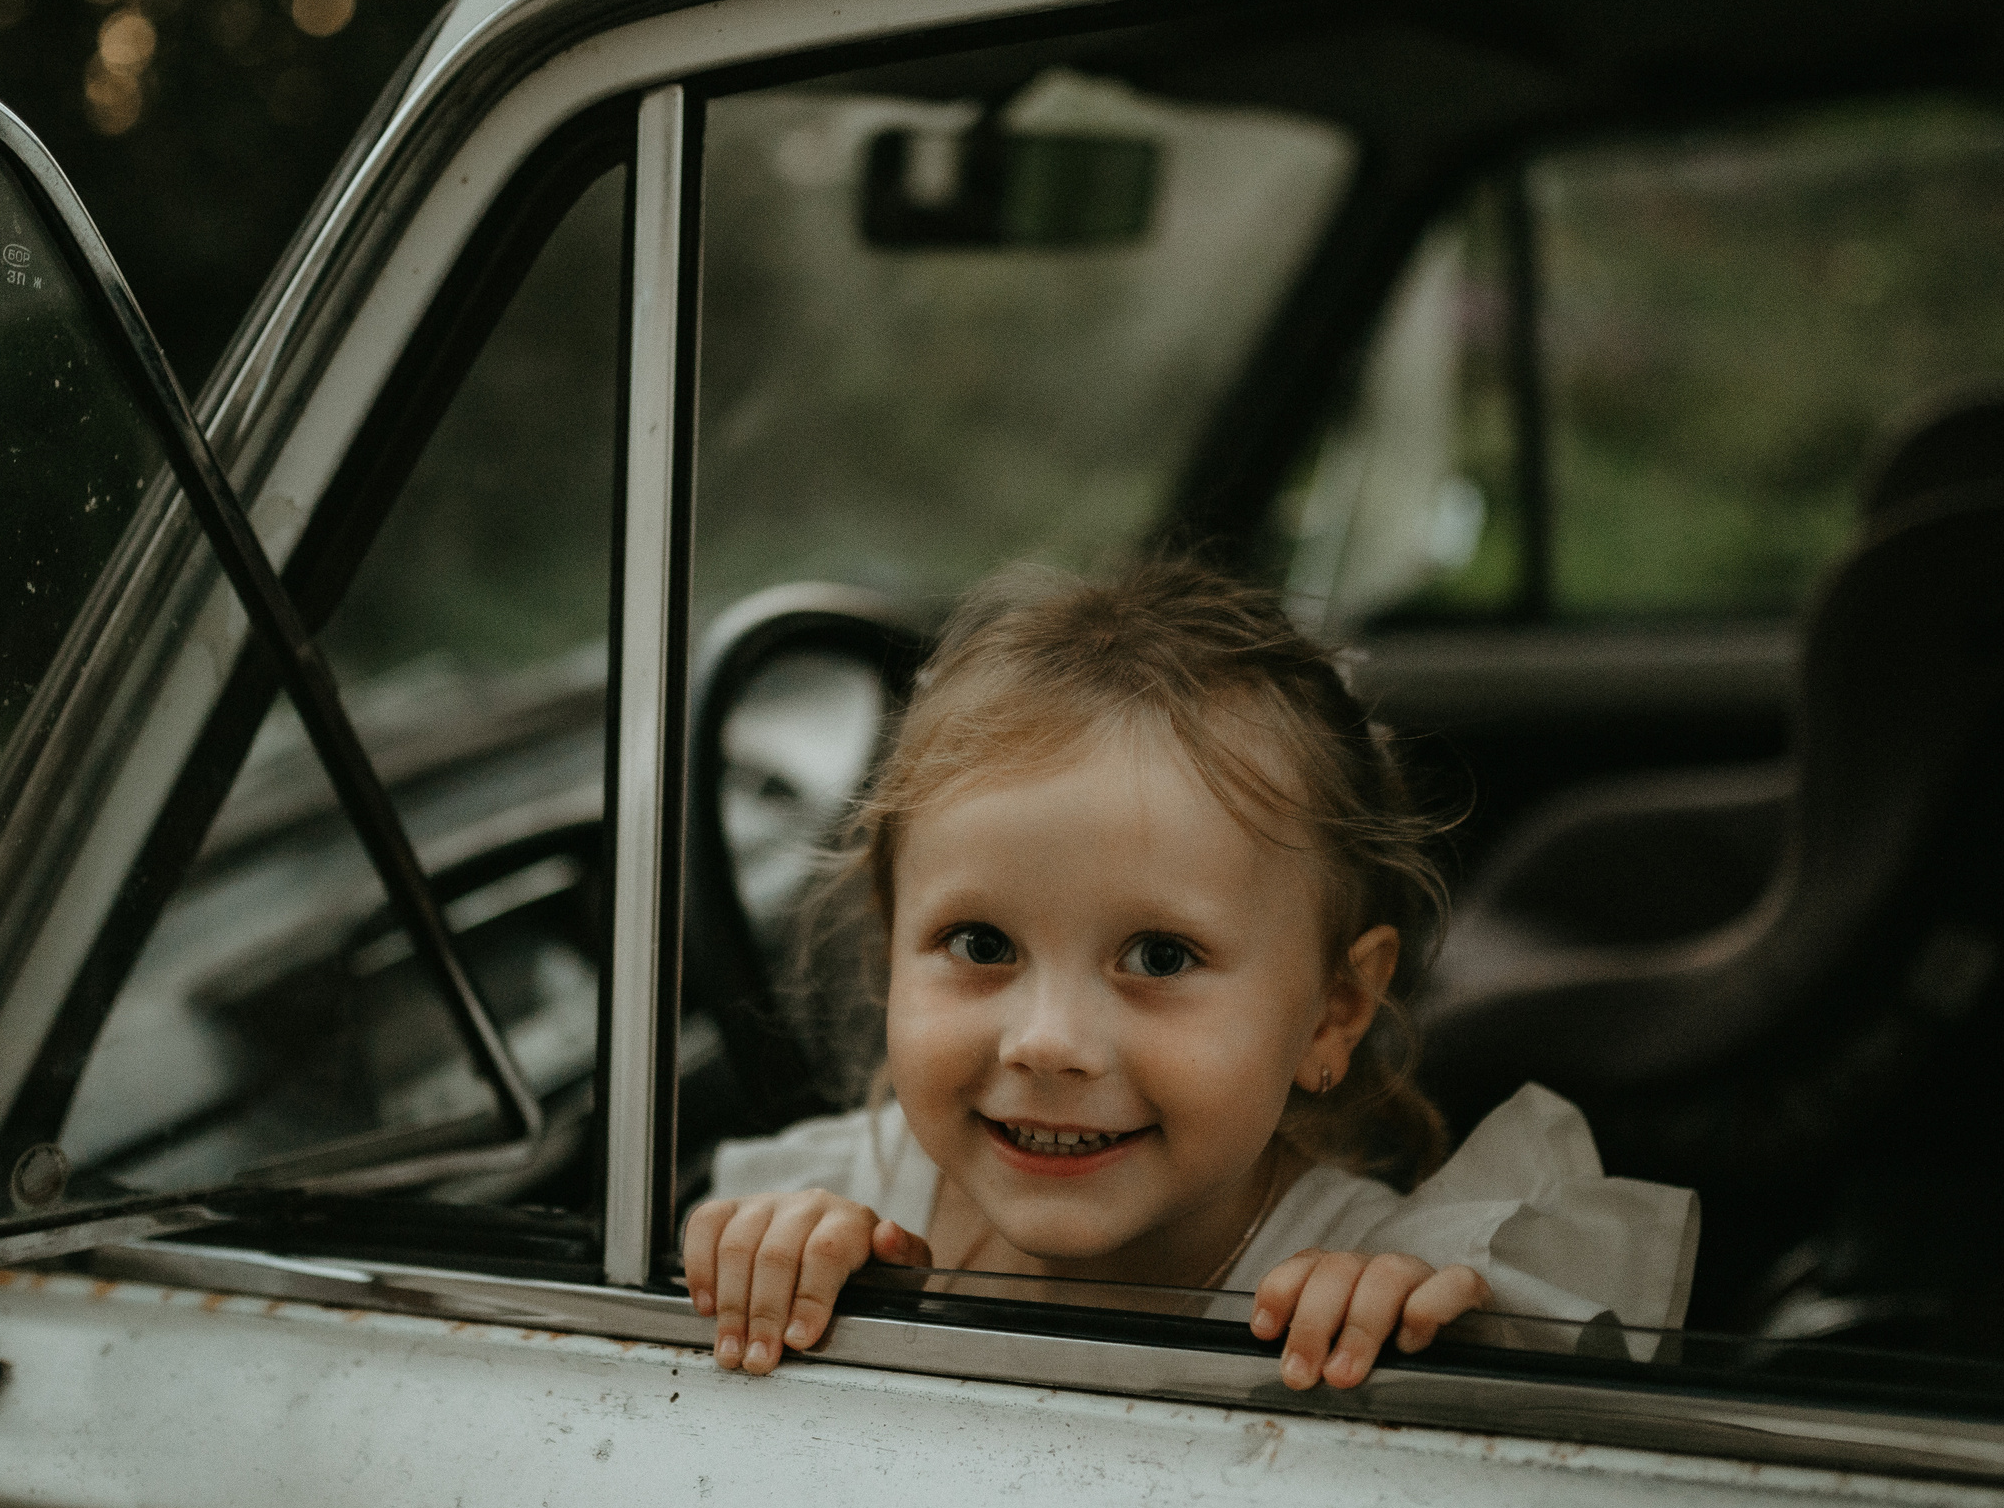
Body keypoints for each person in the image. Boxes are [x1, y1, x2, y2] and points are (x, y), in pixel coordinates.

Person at [684, 562, 1698, 1386]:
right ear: (889, 949)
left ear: (1332, 1011)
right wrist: (762, 1260)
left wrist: (1429, 1345)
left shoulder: (1374, 1284)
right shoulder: (841, 1202)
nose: (1045, 1040)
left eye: (1159, 957)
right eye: (981, 944)